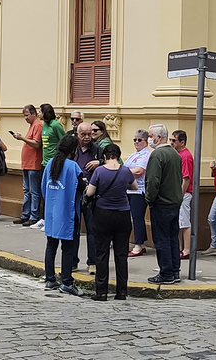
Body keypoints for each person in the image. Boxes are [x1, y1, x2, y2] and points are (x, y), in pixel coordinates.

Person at [86, 143, 137, 301]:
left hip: (103, 214)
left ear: (105, 156)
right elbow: (134, 187)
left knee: (102, 253)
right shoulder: (125, 171)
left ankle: (101, 291)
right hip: (122, 214)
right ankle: (121, 292)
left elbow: (90, 192)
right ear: (119, 156)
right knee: (121, 255)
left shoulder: (99, 171)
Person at [42, 134, 83, 297]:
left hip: (51, 211)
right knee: (68, 248)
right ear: (73, 150)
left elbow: (43, 187)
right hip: (67, 211)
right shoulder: (72, 166)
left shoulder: (50, 164)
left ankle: (50, 279)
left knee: (51, 245)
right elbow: (81, 186)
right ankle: (67, 281)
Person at [144, 123, 183, 283]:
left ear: (159, 138)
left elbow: (153, 181)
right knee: (173, 237)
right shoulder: (175, 154)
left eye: (151, 136)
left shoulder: (158, 155)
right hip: (174, 201)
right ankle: (174, 271)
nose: (149, 139)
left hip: (162, 203)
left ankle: (166, 273)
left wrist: (149, 198)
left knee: (162, 239)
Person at [73, 122, 104, 273]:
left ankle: (92, 262)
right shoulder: (72, 148)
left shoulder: (97, 149)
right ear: (77, 134)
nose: (86, 137)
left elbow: (110, 163)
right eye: (83, 134)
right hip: (75, 193)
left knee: (92, 230)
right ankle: (73, 261)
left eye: (89, 134)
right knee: (74, 229)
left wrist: (100, 162)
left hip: (92, 194)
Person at [35, 103, 67, 230]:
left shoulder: (55, 125)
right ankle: (44, 218)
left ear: (45, 112)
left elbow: (64, 142)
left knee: (53, 191)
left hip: (55, 163)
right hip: (45, 163)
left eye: (40, 111)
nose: (38, 113)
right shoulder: (44, 125)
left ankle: (52, 219)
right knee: (44, 191)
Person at [12, 104, 44, 226]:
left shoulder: (37, 125)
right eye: (24, 116)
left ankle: (33, 215)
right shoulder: (32, 126)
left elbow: (36, 144)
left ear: (33, 114)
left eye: (27, 115)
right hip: (27, 164)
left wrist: (22, 138)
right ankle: (26, 215)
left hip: (34, 164)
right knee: (27, 190)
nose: (25, 118)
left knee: (33, 191)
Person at [124, 129, 152, 257]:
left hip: (138, 190)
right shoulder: (134, 154)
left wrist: (125, 171)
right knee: (133, 217)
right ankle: (140, 243)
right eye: (134, 139)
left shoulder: (146, 155)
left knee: (137, 217)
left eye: (139, 140)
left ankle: (138, 244)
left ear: (146, 141)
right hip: (129, 189)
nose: (136, 142)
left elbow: (139, 171)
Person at [170, 129, 194, 259]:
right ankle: (179, 248)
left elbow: (187, 178)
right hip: (179, 192)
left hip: (184, 193)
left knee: (184, 221)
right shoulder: (179, 154)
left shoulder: (185, 156)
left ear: (182, 142)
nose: (172, 143)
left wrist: (180, 194)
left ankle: (186, 250)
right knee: (179, 221)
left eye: (174, 140)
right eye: (171, 140)